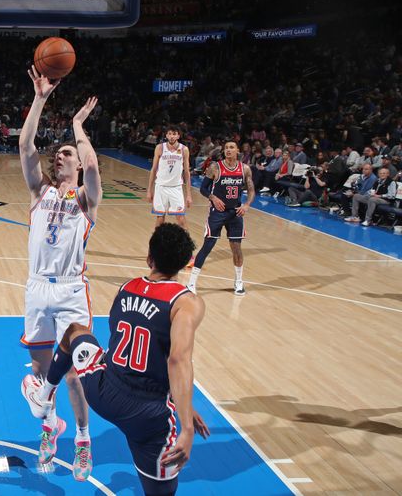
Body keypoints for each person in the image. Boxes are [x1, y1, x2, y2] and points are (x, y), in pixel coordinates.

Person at [22, 223, 210, 495]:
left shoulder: (126, 288)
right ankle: (45, 399)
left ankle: (45, 395)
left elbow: (127, 348)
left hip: (104, 393)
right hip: (147, 415)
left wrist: (184, 405)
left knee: (75, 331)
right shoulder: (186, 302)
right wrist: (187, 426)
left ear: (149, 257)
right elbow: (177, 359)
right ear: (184, 265)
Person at [18, 66, 102, 481]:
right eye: (59, 154)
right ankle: (50, 427)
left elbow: (92, 163)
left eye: (66, 154)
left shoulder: (87, 198)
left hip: (71, 290)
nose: (60, 156)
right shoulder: (40, 192)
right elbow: (24, 144)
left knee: (72, 371)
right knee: (39, 371)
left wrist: (77, 127)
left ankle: (84, 441)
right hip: (36, 288)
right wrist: (40, 98)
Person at [187, 141, 255, 295]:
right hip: (218, 213)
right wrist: (213, 198)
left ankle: (238, 282)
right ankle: (191, 283)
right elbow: (203, 188)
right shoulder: (215, 167)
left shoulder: (245, 169)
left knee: (237, 249)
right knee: (208, 246)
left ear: (238, 150)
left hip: (235, 212)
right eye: (226, 148)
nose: (229, 150)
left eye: (232, 147)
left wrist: (246, 205)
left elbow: (251, 190)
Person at [146, 125, 192, 228]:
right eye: (170, 134)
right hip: (160, 187)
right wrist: (149, 190)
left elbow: (187, 172)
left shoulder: (184, 149)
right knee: (160, 218)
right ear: (166, 135)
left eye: (174, 134)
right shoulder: (160, 147)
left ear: (178, 136)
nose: (172, 136)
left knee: (180, 218)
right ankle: (157, 243)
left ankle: (186, 243)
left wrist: (188, 195)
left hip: (176, 187)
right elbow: (153, 169)